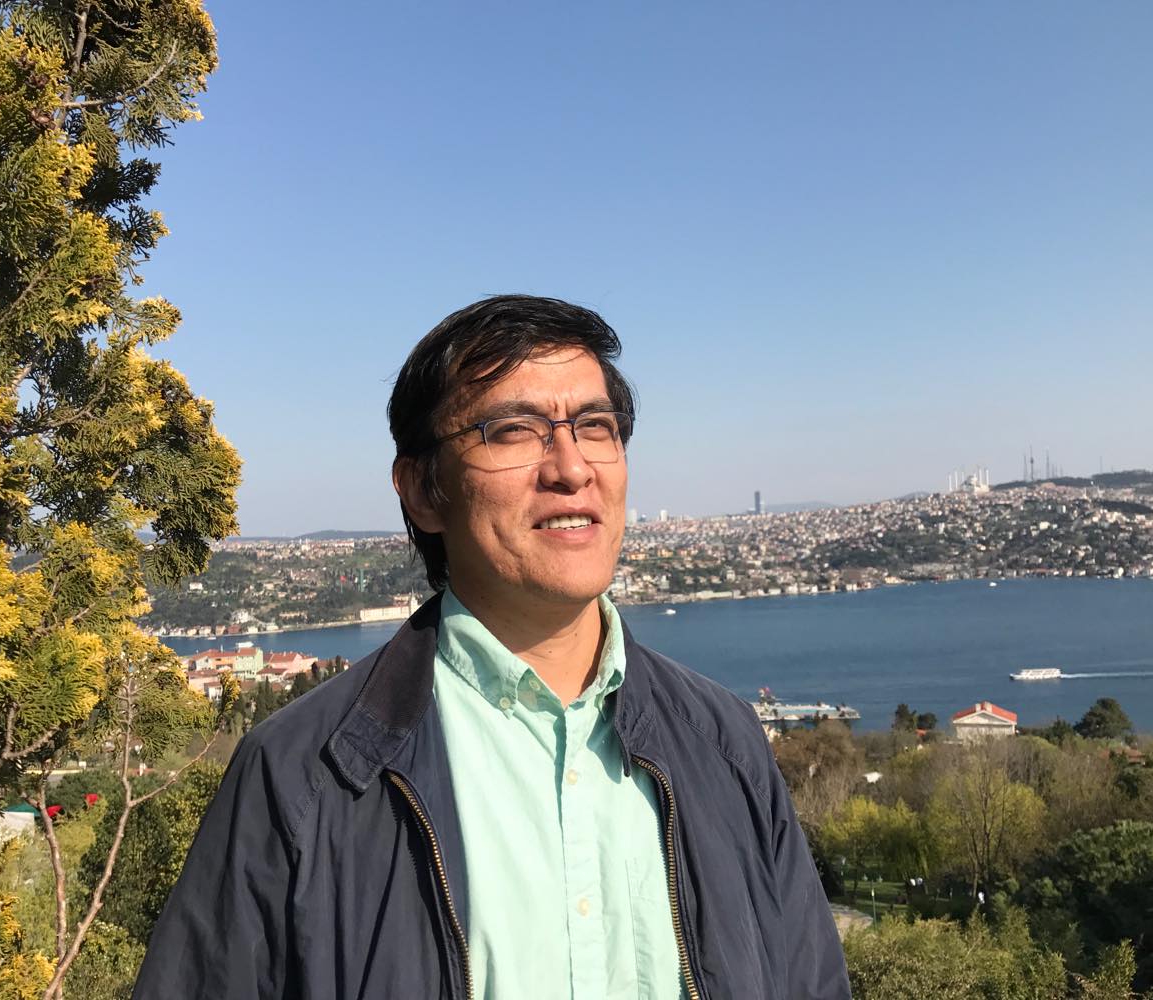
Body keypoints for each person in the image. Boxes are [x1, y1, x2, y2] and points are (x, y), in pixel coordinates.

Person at [134, 295, 850, 999]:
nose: (571, 467)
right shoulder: (303, 777)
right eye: (513, 431)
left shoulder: (726, 745)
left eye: (595, 426)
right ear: (423, 491)